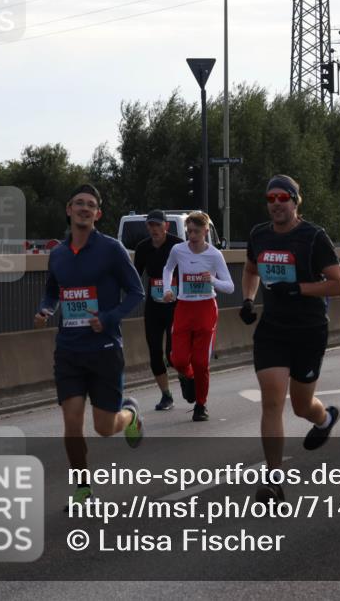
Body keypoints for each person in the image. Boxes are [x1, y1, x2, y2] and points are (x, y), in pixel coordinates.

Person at [34, 184, 145, 509]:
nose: (84, 208)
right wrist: (46, 309)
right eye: (79, 203)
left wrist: (109, 318)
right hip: (68, 349)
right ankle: (83, 489)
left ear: (98, 214)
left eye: (91, 205)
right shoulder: (57, 254)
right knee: (71, 423)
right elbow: (53, 291)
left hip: (105, 349)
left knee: (105, 427)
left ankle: (131, 414)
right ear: (69, 209)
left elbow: (136, 292)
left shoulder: (111, 249)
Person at [240, 176, 340, 501]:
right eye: (270, 197)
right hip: (272, 330)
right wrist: (247, 299)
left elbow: (339, 284)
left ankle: (324, 417)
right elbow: (250, 269)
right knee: (272, 402)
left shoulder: (313, 237)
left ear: (295, 201)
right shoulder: (259, 235)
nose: (276, 203)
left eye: (283, 197)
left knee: (301, 406)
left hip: (308, 330)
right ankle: (273, 479)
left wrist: (299, 288)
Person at [162, 211, 234, 422]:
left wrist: (212, 280)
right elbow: (168, 269)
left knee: (201, 362)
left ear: (205, 231)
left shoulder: (214, 255)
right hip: (184, 307)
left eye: (196, 231)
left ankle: (200, 405)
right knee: (178, 359)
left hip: (205, 309)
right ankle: (188, 377)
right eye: (189, 231)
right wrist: (167, 289)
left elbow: (229, 287)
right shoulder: (178, 250)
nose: (192, 235)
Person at [132, 210, 185, 411]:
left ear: (166, 226)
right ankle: (166, 395)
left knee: (173, 354)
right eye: (150, 225)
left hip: (176, 305)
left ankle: (185, 377)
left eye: (157, 225)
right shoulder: (143, 248)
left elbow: (189, 269)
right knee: (154, 352)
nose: (154, 229)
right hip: (154, 306)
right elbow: (135, 276)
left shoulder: (178, 245)